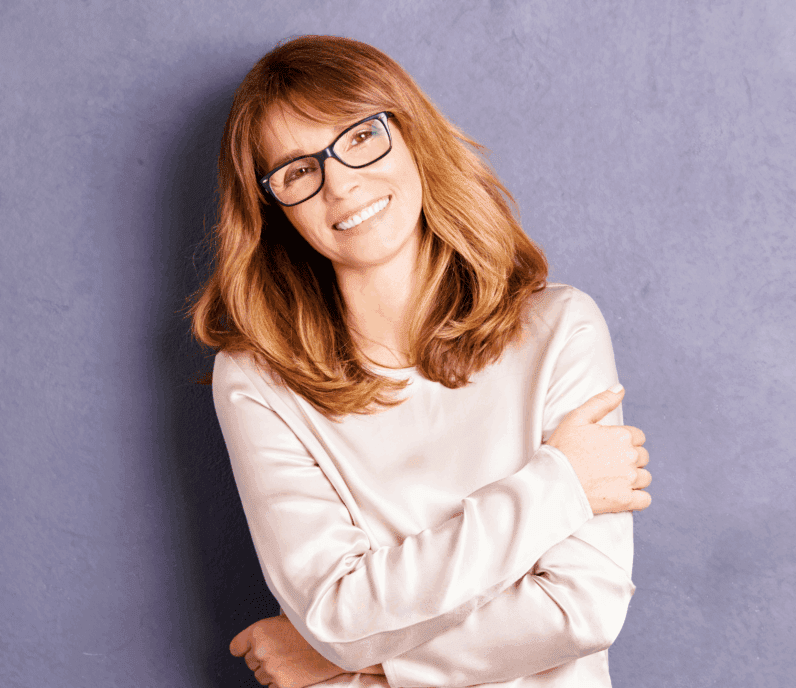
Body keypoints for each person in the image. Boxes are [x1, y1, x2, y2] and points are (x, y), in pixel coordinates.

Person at [191, 35, 652, 688]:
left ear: (412, 135)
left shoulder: (561, 329)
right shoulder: (259, 382)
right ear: (273, 208)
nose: (341, 185)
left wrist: (349, 657)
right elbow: (337, 614)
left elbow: (580, 610)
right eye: (298, 170)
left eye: (360, 136)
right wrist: (561, 486)